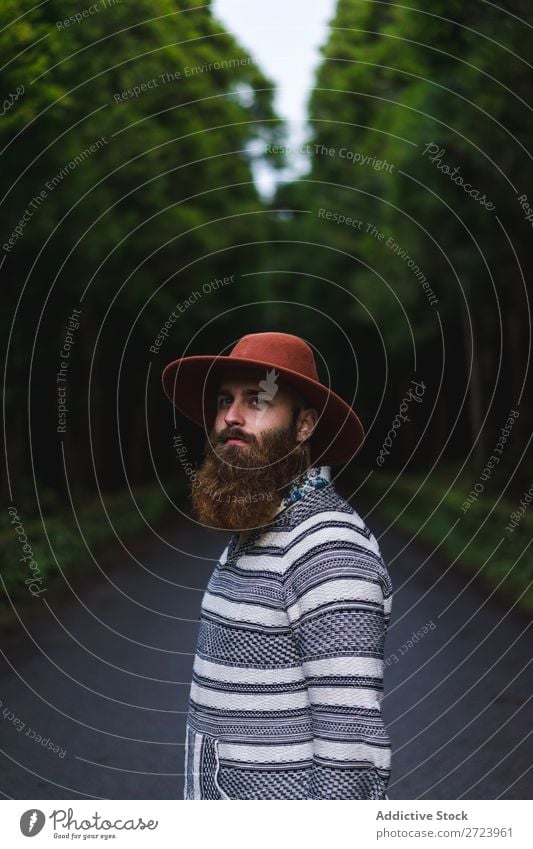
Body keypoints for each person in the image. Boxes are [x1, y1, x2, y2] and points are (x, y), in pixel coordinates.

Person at [162, 331, 393, 800]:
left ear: (304, 426)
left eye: (257, 400)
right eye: (225, 398)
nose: (231, 416)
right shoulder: (261, 526)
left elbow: (351, 745)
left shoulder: (328, 548)